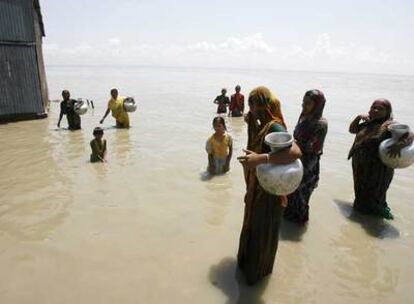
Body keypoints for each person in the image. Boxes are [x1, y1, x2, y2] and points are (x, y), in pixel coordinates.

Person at [237, 86, 302, 285]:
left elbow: (296, 151)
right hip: (256, 190)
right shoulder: (260, 125)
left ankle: (256, 274)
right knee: (252, 226)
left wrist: (261, 158)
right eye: (250, 102)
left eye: (255, 103)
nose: (252, 107)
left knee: (262, 230)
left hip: (269, 194)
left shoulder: (275, 126)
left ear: (266, 105)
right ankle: (246, 267)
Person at [348, 99, 413, 219]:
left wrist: (400, 145)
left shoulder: (389, 125)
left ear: (387, 111)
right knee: (360, 192)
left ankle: (377, 223)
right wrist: (358, 118)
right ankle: (361, 221)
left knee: (375, 195)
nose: (375, 110)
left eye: (380, 109)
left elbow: (410, 135)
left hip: (378, 169)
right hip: (361, 165)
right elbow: (352, 130)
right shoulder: (369, 123)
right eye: (373, 107)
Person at [284, 90, 328, 225]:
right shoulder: (303, 116)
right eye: (303, 102)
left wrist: (293, 144)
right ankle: (287, 221)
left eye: (308, 103)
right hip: (295, 158)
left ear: (318, 105)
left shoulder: (320, 123)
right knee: (290, 190)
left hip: (309, 163)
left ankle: (299, 224)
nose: (304, 106)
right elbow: (296, 135)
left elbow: (312, 147)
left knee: (302, 193)